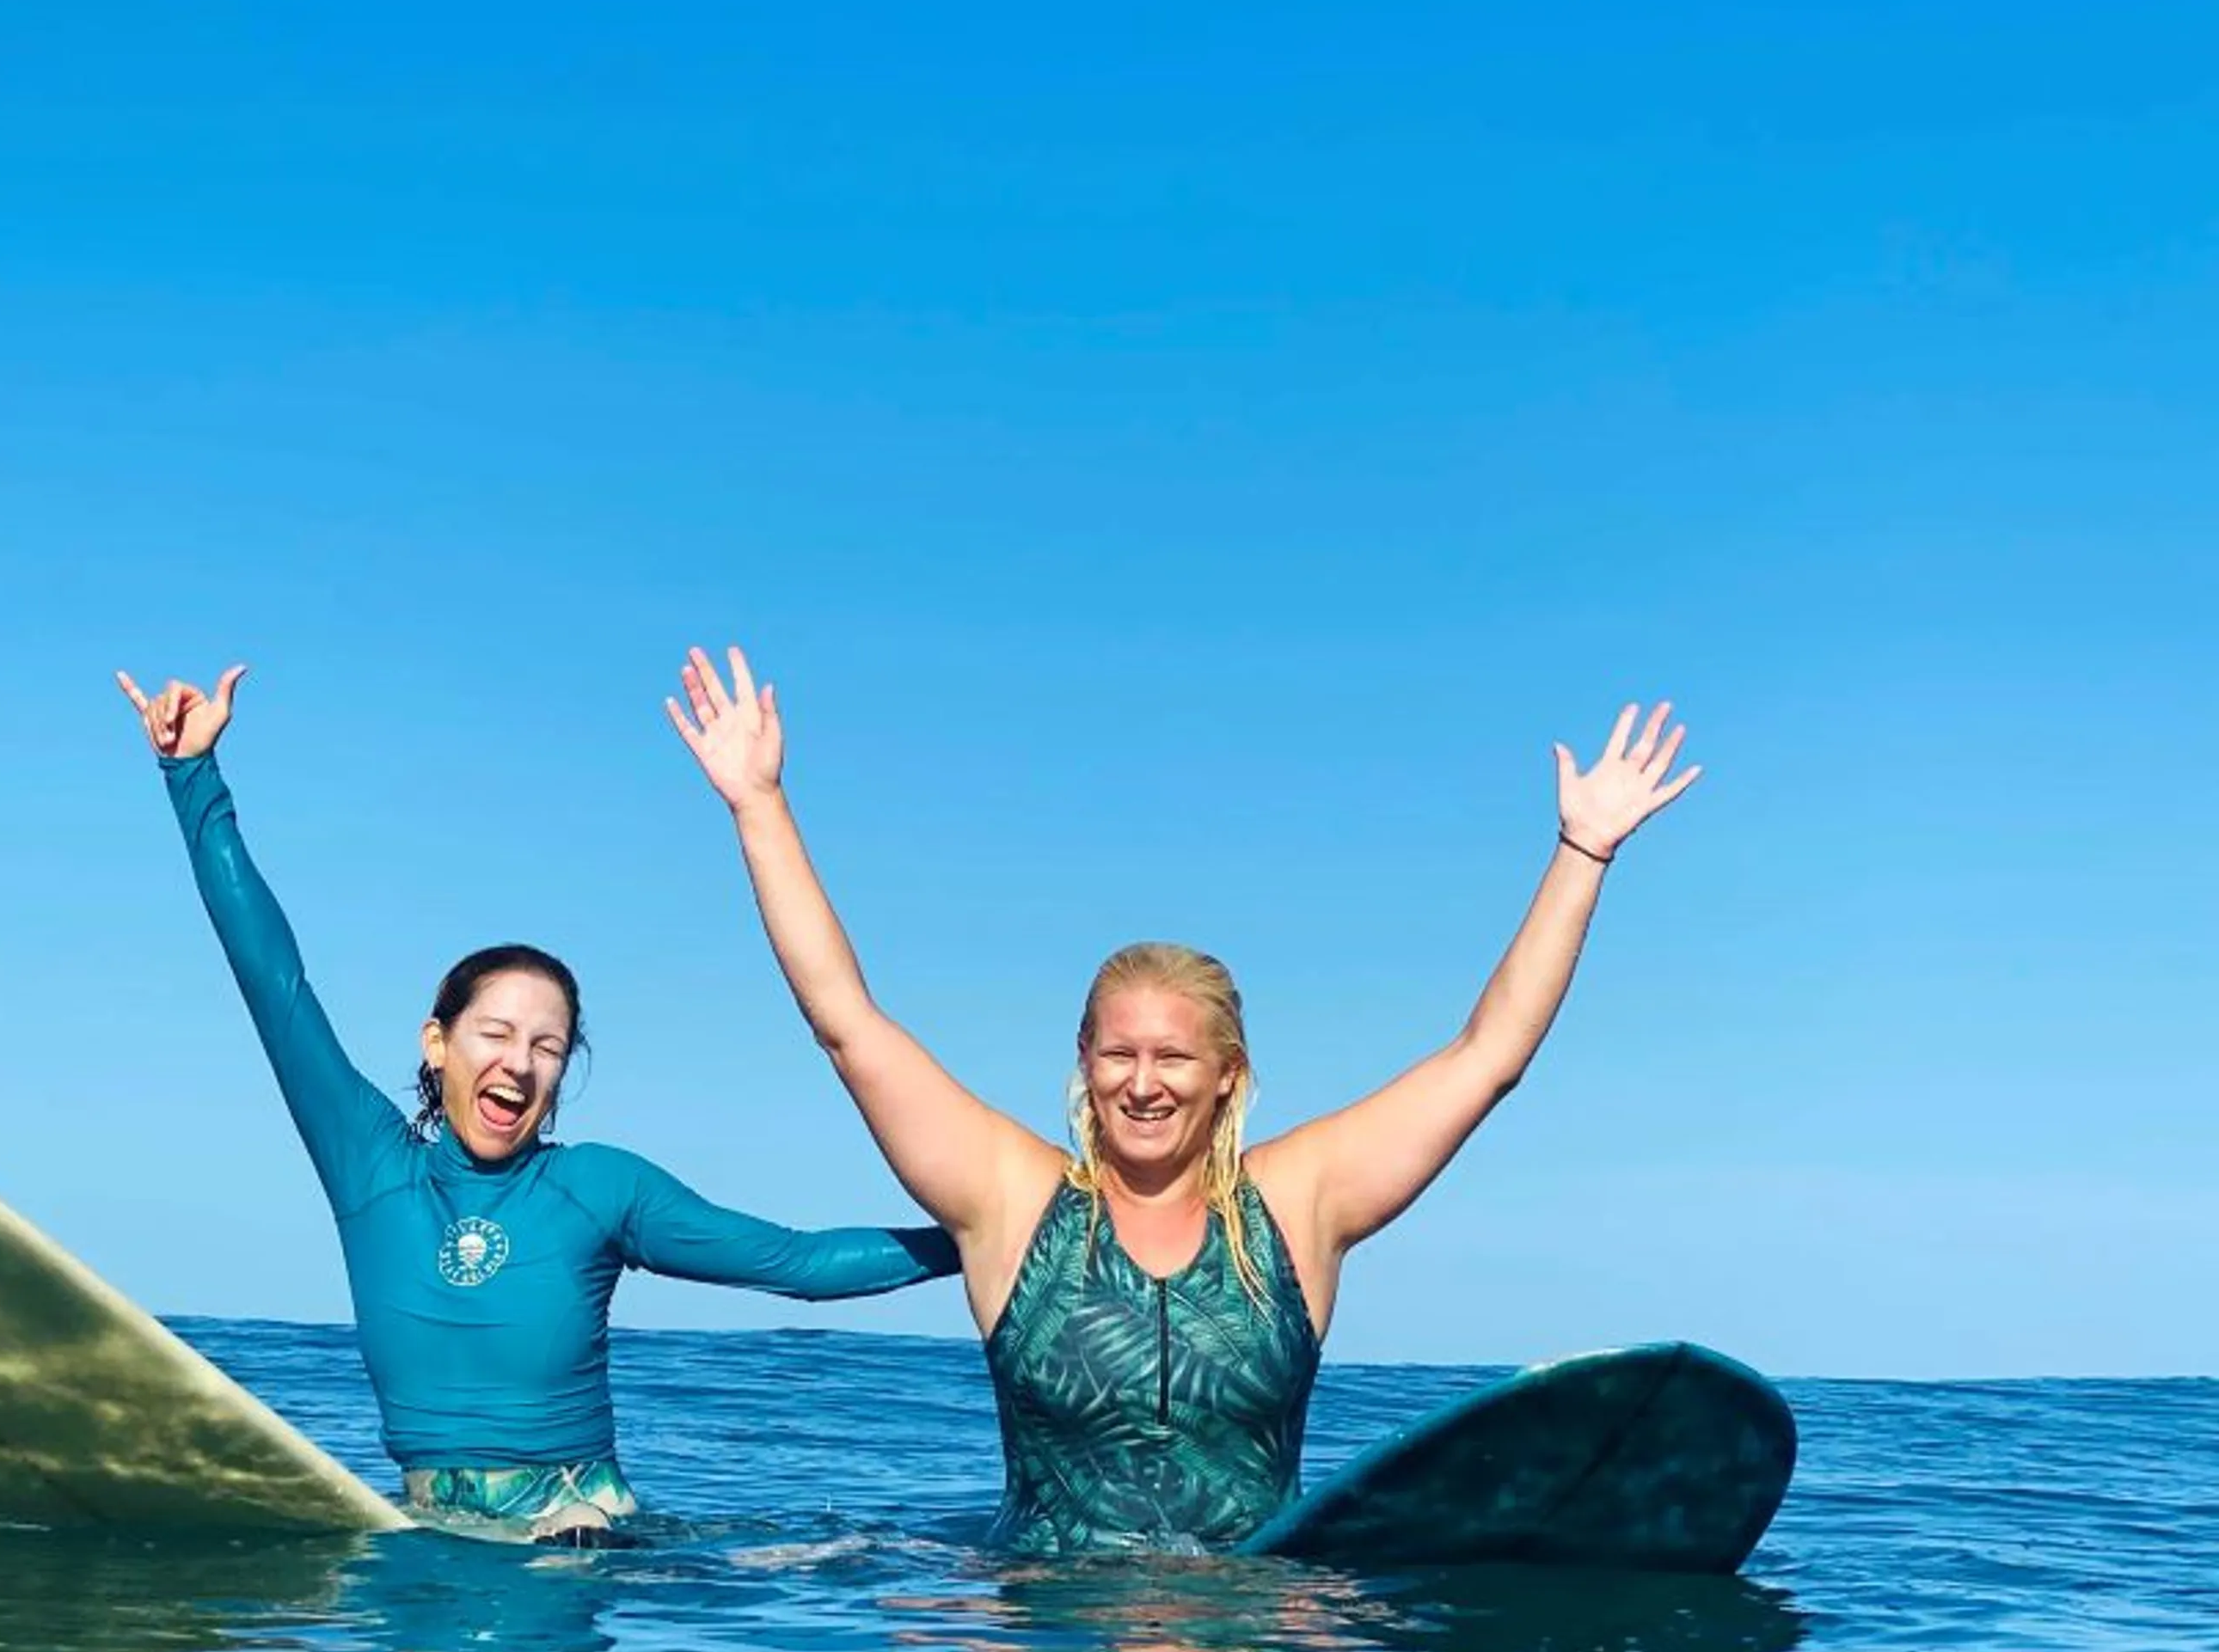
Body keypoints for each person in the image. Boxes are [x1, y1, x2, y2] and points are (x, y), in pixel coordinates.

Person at [666, 645, 1699, 1554]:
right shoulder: (1013, 1204)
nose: (1144, 1082)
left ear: (1227, 1077)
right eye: (1118, 1055)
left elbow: (1486, 1058)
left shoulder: (1300, 1205)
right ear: (1085, 1063)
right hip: (1046, 1641)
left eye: (1174, 1058)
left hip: (1251, 1639)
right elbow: (849, 1024)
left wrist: (1583, 853)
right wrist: (760, 806)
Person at [120, 662, 959, 1542]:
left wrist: (983, 1239)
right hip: (429, 1532)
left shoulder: (599, 1189)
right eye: (495, 1034)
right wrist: (193, 776)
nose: (518, 1063)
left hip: (580, 1533)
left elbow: (794, 1263)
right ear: (437, 1043)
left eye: (547, 1046)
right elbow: (271, 977)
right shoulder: (367, 1161)